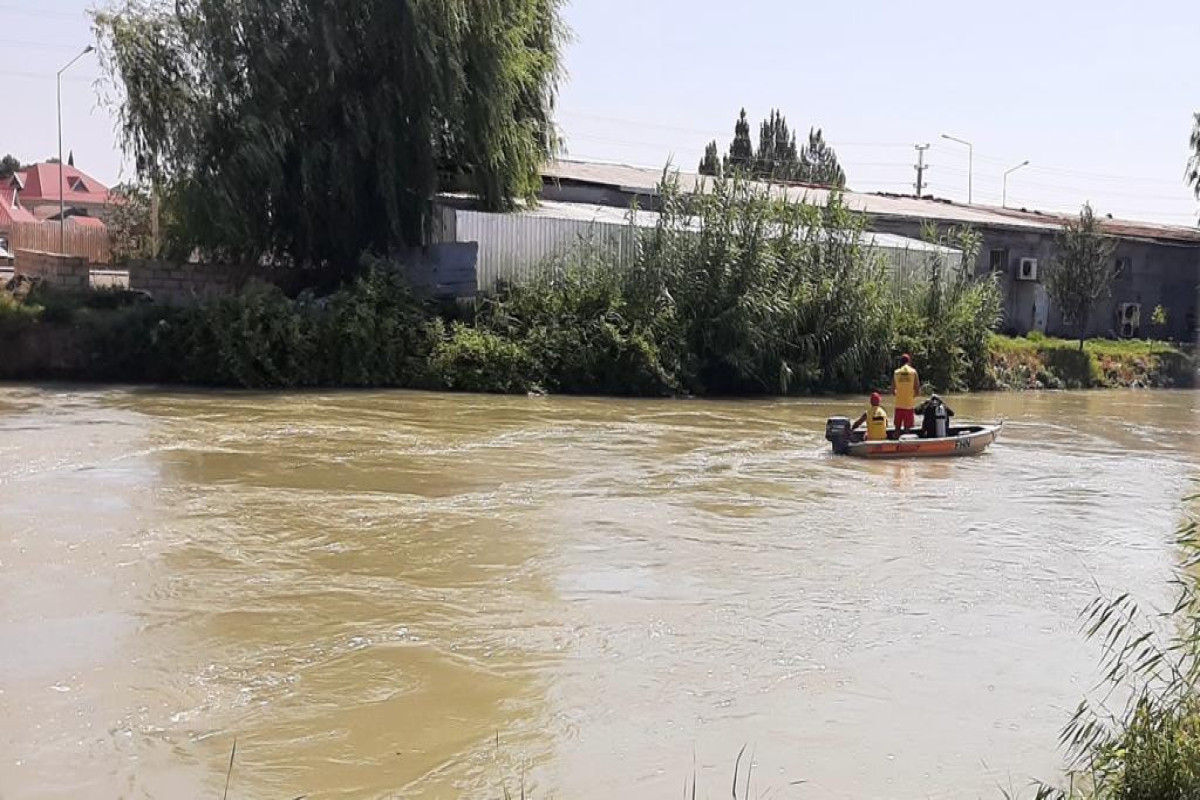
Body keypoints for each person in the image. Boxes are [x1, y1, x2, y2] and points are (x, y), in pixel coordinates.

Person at [893, 354, 920, 432]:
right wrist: (911, 396)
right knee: (907, 429)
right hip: (909, 405)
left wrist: (899, 395)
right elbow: (917, 390)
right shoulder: (913, 372)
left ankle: (895, 441)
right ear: (909, 362)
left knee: (897, 428)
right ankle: (906, 443)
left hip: (898, 405)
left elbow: (892, 390)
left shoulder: (896, 372)